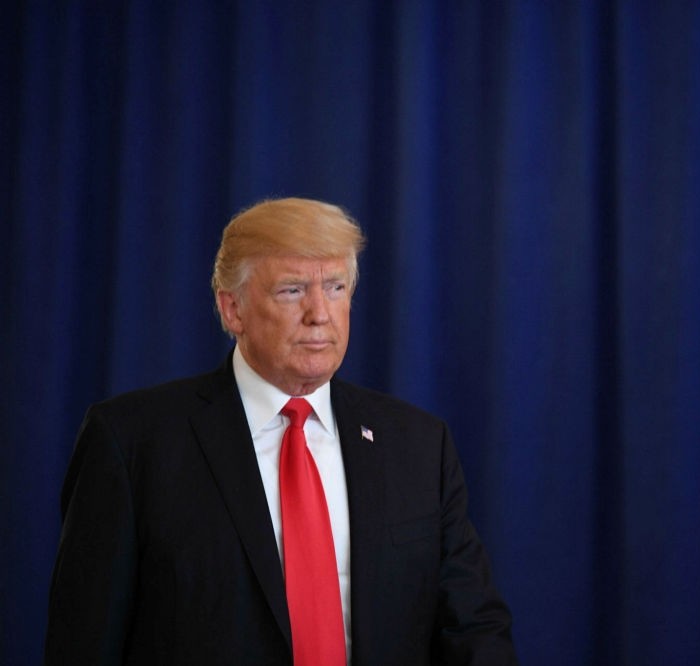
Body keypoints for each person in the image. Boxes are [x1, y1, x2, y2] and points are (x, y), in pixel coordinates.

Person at [45, 198, 518, 665]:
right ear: (233, 310)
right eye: (292, 290)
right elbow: (84, 644)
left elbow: (472, 628)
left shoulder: (417, 444)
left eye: (335, 288)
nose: (320, 313)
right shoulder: (131, 443)